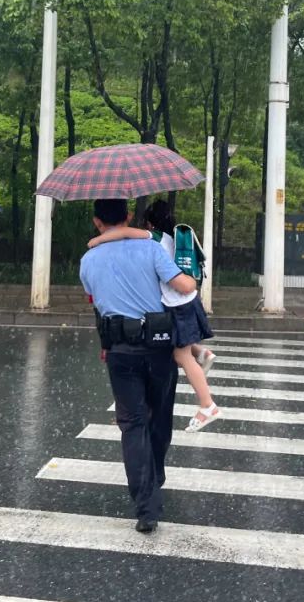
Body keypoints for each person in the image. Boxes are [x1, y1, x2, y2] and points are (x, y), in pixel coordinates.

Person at [80, 198, 198, 534]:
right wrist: (193, 277)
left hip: (119, 350)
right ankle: (155, 472)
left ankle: (145, 505)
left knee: (132, 424)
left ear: (96, 222)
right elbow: (183, 286)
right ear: (129, 215)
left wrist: (106, 343)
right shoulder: (152, 251)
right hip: (158, 347)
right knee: (159, 417)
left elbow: (97, 306)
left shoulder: (88, 260)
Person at [89, 199, 222, 432]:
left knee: (181, 357)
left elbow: (126, 232)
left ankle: (208, 405)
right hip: (183, 304)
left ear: (150, 224)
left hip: (178, 304)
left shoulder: (156, 238)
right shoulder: (171, 240)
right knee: (175, 343)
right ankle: (202, 352)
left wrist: (99, 240)